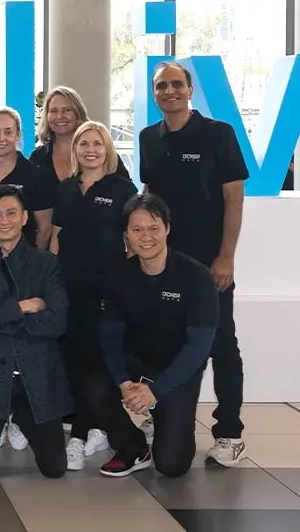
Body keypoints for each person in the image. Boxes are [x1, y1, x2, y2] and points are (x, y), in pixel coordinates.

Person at [139, 61, 249, 467]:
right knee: (165, 344)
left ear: (189, 89)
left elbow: (233, 199)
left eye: (175, 84)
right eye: (160, 86)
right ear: (154, 93)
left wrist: (226, 256)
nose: (168, 91)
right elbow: (149, 196)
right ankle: (162, 420)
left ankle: (230, 433)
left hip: (208, 265)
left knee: (221, 345)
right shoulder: (149, 138)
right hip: (163, 265)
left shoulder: (219, 134)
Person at [89, 194, 218, 478]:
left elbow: (198, 348)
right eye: (137, 229)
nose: (146, 237)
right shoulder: (118, 276)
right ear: (126, 235)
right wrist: (123, 382)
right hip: (136, 363)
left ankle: (166, 413)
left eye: (153, 228)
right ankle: (133, 446)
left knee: (172, 466)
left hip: (177, 369)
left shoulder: (196, 277)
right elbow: (110, 336)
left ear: (167, 229)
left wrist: (156, 391)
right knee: (94, 387)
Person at [0, 185, 70, 479]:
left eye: (11, 213)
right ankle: (5, 418)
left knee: (55, 469)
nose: (4, 221)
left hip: (37, 372)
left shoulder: (47, 264)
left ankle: (21, 417)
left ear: (24, 217)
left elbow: (56, 322)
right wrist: (23, 307)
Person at [49, 121, 138, 470]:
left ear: (107, 149)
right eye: (83, 143)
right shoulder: (66, 188)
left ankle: (81, 434)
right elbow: (57, 236)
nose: (90, 150)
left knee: (97, 362)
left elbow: (134, 240)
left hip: (107, 289)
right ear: (75, 149)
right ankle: (91, 427)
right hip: (70, 287)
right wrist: (52, 282)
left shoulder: (122, 188)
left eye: (97, 143)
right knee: (74, 358)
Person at [0, 106, 54, 255]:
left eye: (8, 132)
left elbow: (45, 229)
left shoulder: (37, 177)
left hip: (24, 260)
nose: (1, 138)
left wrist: (31, 262)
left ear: (18, 135)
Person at [30, 86, 130, 195]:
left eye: (67, 110)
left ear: (78, 113)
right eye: (54, 111)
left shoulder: (104, 155)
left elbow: (128, 197)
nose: (59, 116)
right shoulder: (38, 158)